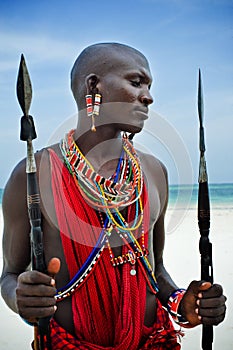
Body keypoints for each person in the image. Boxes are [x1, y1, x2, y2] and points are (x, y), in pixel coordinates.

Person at [1, 42, 226, 349]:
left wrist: (183, 303)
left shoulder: (154, 171)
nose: (148, 96)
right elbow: (10, 275)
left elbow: (154, 269)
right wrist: (21, 298)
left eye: (149, 86)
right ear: (94, 86)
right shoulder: (33, 174)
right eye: (136, 82)